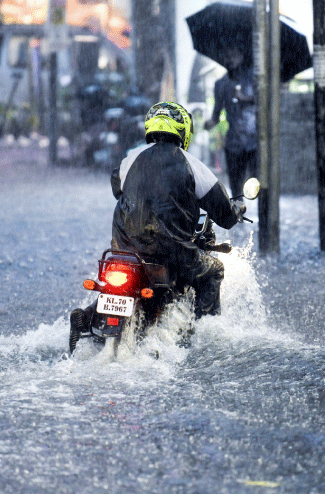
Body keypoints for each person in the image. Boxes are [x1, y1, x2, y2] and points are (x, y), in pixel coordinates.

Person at [70, 101, 245, 335]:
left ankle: (88, 316)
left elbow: (117, 189)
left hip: (126, 251)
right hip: (174, 253)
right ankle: (206, 335)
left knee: (113, 282)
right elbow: (225, 216)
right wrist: (237, 209)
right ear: (183, 130)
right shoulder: (192, 164)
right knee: (214, 270)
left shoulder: (131, 158)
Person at [204, 46, 258, 196]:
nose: (230, 60)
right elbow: (216, 114)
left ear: (241, 58)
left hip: (254, 141)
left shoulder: (253, 78)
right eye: (227, 57)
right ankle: (239, 209)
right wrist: (208, 124)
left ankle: (263, 209)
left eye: (234, 56)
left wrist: (245, 98)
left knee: (258, 183)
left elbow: (265, 101)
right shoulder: (221, 84)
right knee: (236, 187)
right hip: (233, 143)